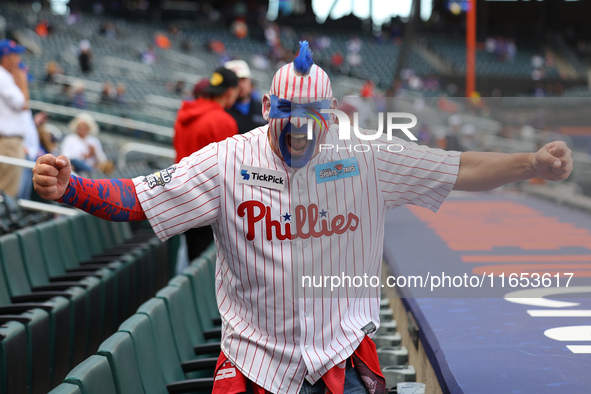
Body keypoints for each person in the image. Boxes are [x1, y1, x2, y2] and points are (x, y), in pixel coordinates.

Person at [33, 42, 573, 394]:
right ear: (268, 108)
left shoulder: (365, 157)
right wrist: (72, 186)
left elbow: (458, 168)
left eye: (311, 119)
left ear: (330, 116)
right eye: (287, 117)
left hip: (339, 355)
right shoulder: (228, 159)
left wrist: (530, 164)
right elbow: (139, 197)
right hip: (255, 363)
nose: (298, 132)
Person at [173, 67, 239, 260]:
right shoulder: (223, 121)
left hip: (183, 198)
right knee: (207, 264)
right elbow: (228, 171)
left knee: (191, 257)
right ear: (230, 92)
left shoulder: (184, 114)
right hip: (209, 203)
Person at [0, 39, 33, 197]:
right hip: (8, 141)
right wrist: (23, 83)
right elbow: (22, 103)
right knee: (6, 194)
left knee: (8, 194)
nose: (19, 59)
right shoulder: (2, 75)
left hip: (10, 141)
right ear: (6, 57)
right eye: (15, 55)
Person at [224, 59, 267, 135]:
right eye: (236, 80)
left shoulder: (263, 109)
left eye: (243, 79)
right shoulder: (222, 111)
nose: (240, 85)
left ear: (250, 81)